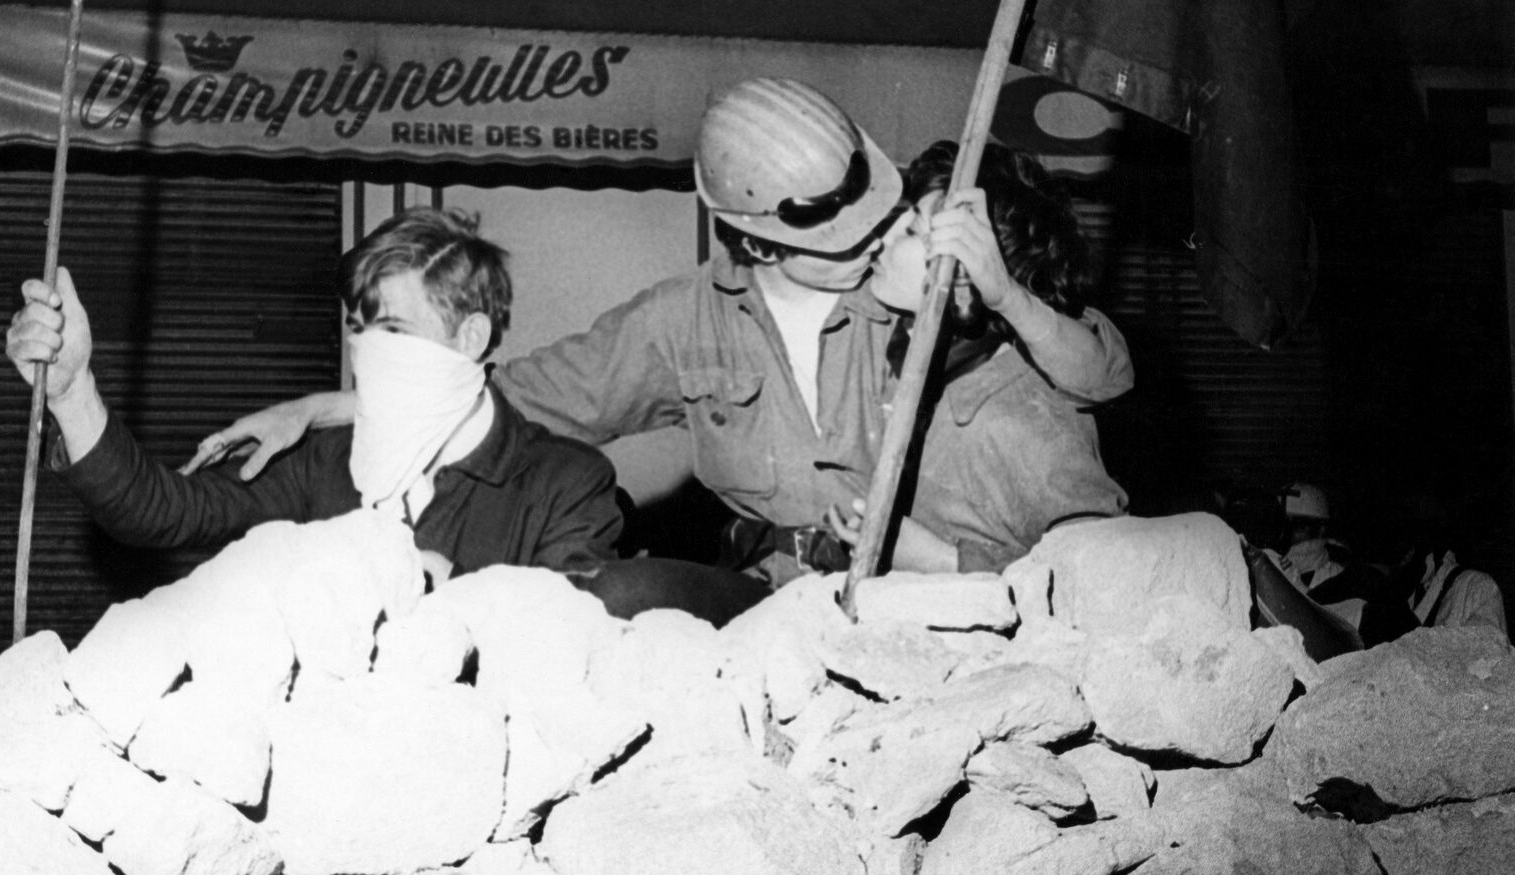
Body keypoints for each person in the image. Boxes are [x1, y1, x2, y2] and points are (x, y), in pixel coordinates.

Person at [183, 78, 1134, 587]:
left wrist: (1004, 293)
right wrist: (323, 404)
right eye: (830, 236)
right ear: (752, 237)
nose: (869, 242)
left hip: (921, 596)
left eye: (872, 220)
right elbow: (510, 395)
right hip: (776, 597)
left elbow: (1090, 374)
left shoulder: (918, 281)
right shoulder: (682, 324)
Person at [5, 206, 623, 579]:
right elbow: (162, 512)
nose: (369, 354)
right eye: (360, 332)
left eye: (395, 332)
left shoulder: (563, 484)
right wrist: (72, 391)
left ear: (470, 336)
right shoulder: (327, 462)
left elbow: (560, 657)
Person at [826, 141, 1128, 572]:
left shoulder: (1022, 421)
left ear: (969, 276)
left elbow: (1099, 585)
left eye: (911, 231)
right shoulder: (895, 340)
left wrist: (941, 561)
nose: (882, 238)